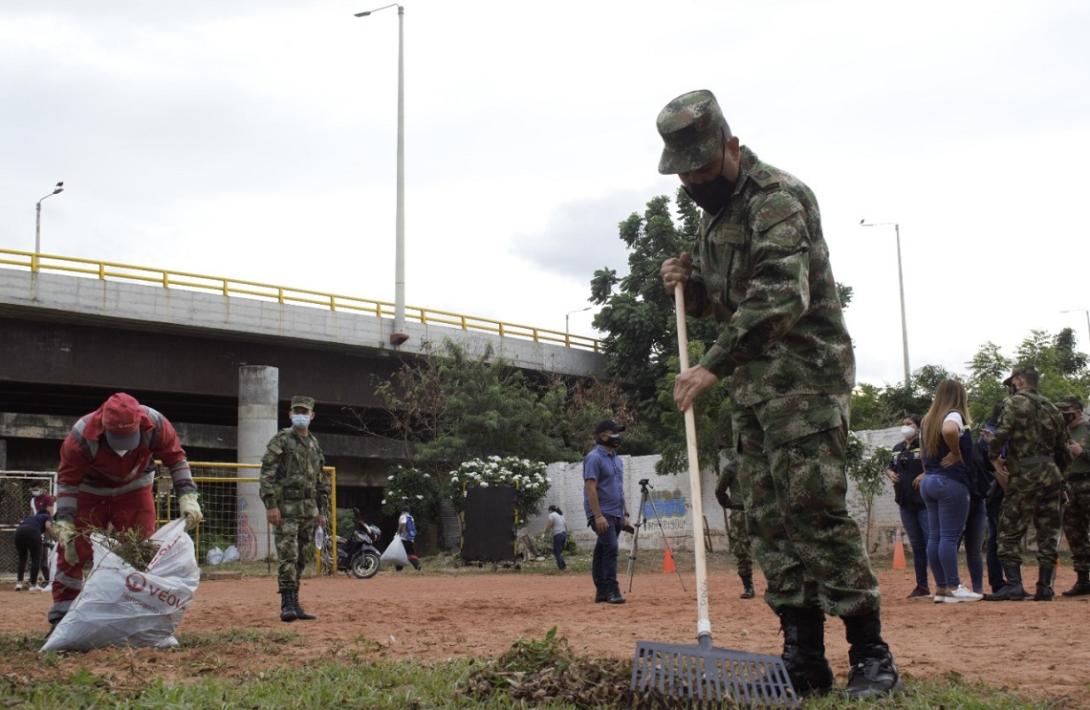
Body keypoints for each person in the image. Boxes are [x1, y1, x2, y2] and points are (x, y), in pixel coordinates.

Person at [657, 89, 898, 698]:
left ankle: (872, 657)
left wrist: (709, 366)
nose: (694, 183)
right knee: (768, 521)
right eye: (684, 174)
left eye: (704, 169)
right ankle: (802, 656)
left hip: (805, 383)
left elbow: (779, 298)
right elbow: (730, 302)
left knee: (814, 513)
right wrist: (690, 290)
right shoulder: (716, 216)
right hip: (754, 389)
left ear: (731, 147)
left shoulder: (777, 200)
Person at [48, 392, 202, 630]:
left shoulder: (156, 425)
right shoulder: (81, 436)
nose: (122, 448)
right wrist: (65, 522)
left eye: (128, 438)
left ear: (140, 424)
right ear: (103, 428)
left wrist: (187, 495)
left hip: (135, 489)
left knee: (139, 551)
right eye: (116, 439)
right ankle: (62, 617)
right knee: (72, 549)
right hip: (90, 491)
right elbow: (68, 481)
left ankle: (134, 614)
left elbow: (176, 460)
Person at [985, 367, 1071, 601]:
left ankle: (1014, 585)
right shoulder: (1052, 408)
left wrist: (993, 454)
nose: (1011, 386)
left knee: (1009, 532)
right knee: (1048, 532)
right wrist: (1060, 476)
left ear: (1020, 381)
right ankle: (1045, 587)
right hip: (1051, 474)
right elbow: (1064, 448)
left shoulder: (1013, 403)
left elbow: (1002, 433)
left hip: (1024, 474)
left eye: (1012, 381)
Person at [260, 395, 330, 622]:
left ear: (312, 415)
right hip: (287, 508)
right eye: (296, 411)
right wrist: (271, 505)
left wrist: (321, 512)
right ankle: (287, 603)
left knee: (302, 557)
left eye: (305, 411)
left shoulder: (314, 444)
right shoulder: (281, 440)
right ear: (290, 414)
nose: (301, 415)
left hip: (309, 510)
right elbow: (267, 473)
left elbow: (320, 481)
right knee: (288, 555)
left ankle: (296, 602)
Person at [918, 380, 982, 603]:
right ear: (959, 395)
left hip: (930, 481)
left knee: (935, 537)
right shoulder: (954, 415)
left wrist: (929, 471)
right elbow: (949, 430)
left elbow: (924, 451)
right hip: (951, 482)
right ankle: (954, 586)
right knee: (948, 537)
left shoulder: (927, 420)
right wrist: (955, 452)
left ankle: (942, 588)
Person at [583, 419, 628, 605]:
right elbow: (590, 488)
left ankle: (601, 591)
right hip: (602, 512)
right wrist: (597, 515)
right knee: (611, 548)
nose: (617, 436)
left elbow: (619, 487)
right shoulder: (594, 458)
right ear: (602, 436)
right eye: (613, 432)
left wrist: (625, 513)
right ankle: (612, 589)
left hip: (616, 512)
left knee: (602, 549)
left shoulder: (617, 459)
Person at [886, 415, 929, 598]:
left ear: (918, 427)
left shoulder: (926, 446)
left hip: (924, 502)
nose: (905, 427)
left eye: (909, 424)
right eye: (903, 424)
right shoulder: (897, 449)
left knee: (931, 543)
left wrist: (925, 474)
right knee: (917, 545)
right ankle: (922, 586)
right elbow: (889, 467)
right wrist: (889, 473)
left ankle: (946, 583)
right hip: (905, 502)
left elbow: (936, 465)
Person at [1058, 395, 1090, 596]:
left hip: (1088, 482)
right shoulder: (1062, 433)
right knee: (1075, 533)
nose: (1063, 415)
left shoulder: (1087, 429)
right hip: (1069, 487)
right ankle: (1083, 579)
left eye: (1066, 410)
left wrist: (1083, 452)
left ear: (1077, 411)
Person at [715, 459, 755, 599]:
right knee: (741, 550)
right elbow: (720, 490)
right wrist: (730, 505)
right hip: (741, 513)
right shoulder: (732, 467)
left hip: (761, 511)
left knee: (772, 548)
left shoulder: (762, 460)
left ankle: (776, 585)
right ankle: (748, 586)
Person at [14, 508, 53, 592]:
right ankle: (33, 585)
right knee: (36, 559)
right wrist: (55, 538)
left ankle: (19, 583)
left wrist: (46, 543)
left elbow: (33, 537)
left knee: (22, 558)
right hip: (33, 533)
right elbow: (48, 526)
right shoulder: (47, 516)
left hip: (19, 532)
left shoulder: (30, 518)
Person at [544, 505, 568, 571]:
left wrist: (545, 532)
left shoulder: (552, 514)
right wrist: (566, 535)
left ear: (550, 510)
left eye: (549, 510)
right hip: (563, 534)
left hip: (558, 535)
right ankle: (564, 566)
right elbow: (565, 525)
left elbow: (550, 524)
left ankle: (562, 568)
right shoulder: (561, 515)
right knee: (559, 552)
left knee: (556, 552)